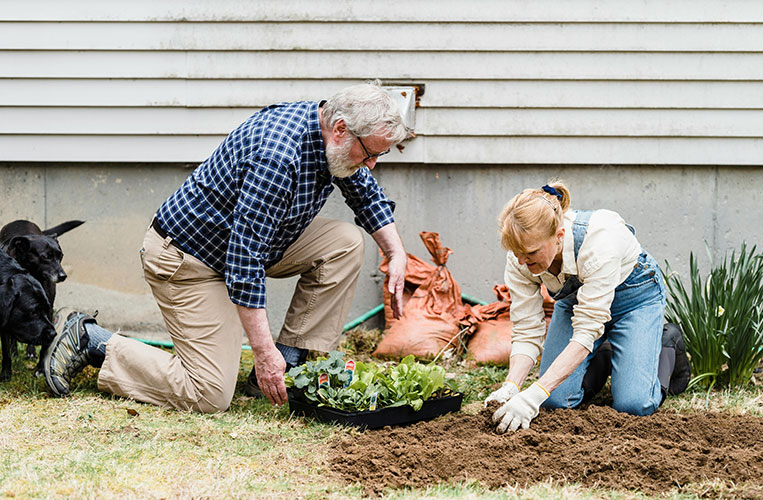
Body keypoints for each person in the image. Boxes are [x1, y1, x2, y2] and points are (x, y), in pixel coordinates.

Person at [42, 82, 410, 413]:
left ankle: (291, 363)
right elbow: (244, 261)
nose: (372, 164)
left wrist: (395, 253)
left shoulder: (332, 132)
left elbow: (363, 191)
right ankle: (91, 340)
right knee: (210, 393)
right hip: (188, 261)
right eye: (369, 153)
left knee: (344, 244)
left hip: (251, 243)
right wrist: (262, 353)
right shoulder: (277, 156)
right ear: (341, 129)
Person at [484, 181, 686, 433]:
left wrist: (533, 394)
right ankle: (605, 352)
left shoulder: (599, 242)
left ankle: (667, 342)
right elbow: (527, 329)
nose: (522, 261)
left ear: (558, 236)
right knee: (555, 401)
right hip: (578, 305)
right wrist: (512, 386)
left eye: (531, 252)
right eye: (516, 253)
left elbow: (585, 333)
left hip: (635, 300)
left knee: (634, 404)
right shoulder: (520, 256)